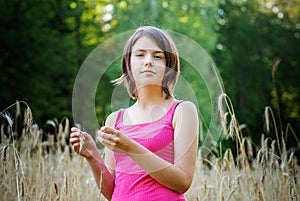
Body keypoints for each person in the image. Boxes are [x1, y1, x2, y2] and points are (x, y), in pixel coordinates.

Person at [70, 26, 199, 201]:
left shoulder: (182, 111)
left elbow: (183, 182)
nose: (148, 61)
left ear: (169, 66)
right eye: (140, 55)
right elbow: (112, 191)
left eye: (157, 56)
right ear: (128, 64)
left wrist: (130, 148)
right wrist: (92, 155)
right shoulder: (114, 120)